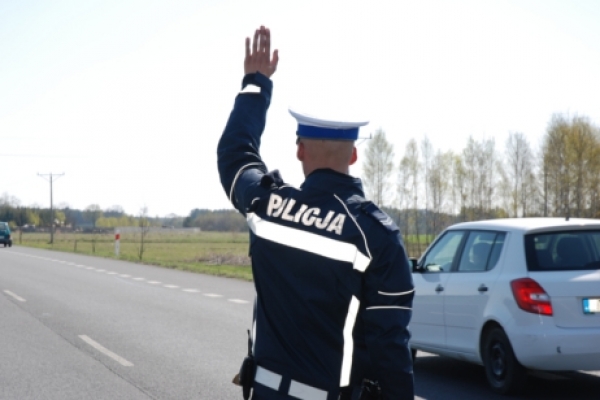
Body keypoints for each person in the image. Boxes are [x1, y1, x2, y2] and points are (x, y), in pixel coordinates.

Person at [218, 26, 414, 400]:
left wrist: (256, 84)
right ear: (353, 155)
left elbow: (235, 154)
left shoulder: (267, 206)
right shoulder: (377, 236)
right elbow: (391, 348)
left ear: (299, 151)